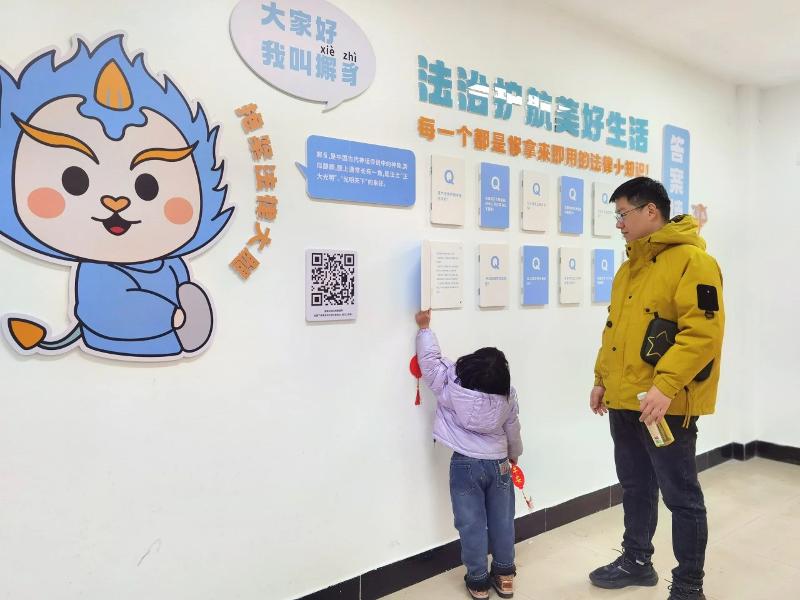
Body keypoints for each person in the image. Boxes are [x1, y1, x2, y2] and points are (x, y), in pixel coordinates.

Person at [589, 177, 725, 600]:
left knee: (681, 497)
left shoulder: (693, 262)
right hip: (625, 400)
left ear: (651, 211)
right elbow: (614, 330)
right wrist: (601, 379)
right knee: (635, 487)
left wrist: (665, 386)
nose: (619, 224)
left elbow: (702, 335)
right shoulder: (629, 268)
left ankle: (688, 586)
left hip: (666, 406)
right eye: (616, 216)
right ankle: (636, 561)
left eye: (623, 214)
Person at [415, 309, 523, 599]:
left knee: (471, 523)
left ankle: (478, 581)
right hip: (499, 463)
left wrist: (425, 328)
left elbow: (430, 363)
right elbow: (513, 428)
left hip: (465, 465)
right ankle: (505, 575)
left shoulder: (451, 387)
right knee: (502, 519)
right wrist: (514, 454)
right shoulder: (507, 395)